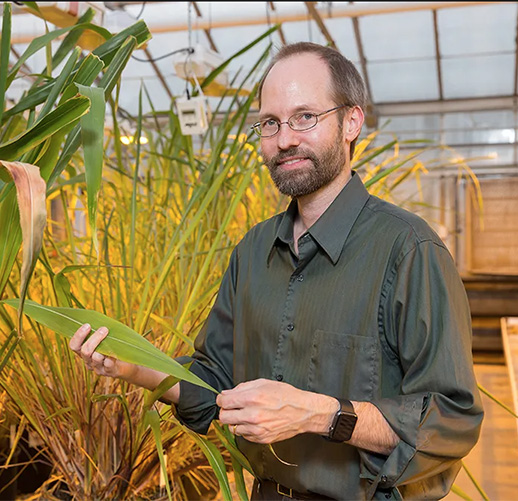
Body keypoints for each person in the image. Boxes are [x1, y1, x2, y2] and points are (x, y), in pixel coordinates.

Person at [70, 42, 483, 500]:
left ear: (352, 122)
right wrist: (136, 366)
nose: (285, 138)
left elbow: (450, 418)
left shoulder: (408, 251)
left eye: (305, 116)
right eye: (271, 122)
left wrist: (317, 414)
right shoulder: (253, 251)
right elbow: (215, 384)